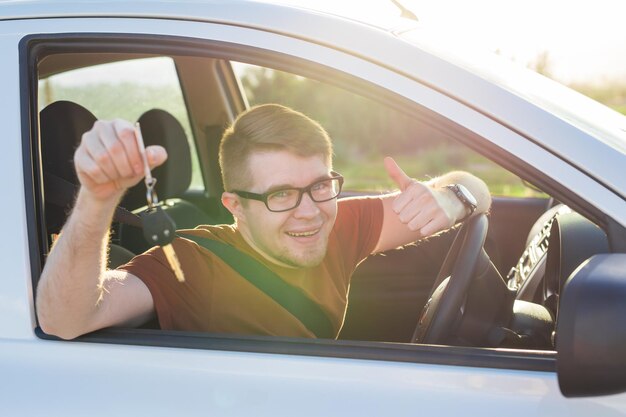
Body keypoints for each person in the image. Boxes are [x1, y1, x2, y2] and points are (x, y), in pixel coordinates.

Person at [36, 104, 491, 340]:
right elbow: (65, 319)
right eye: (280, 195)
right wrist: (98, 199)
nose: (309, 210)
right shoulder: (190, 264)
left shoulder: (337, 222)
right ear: (235, 206)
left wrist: (453, 196)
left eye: (319, 184)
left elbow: (477, 185)